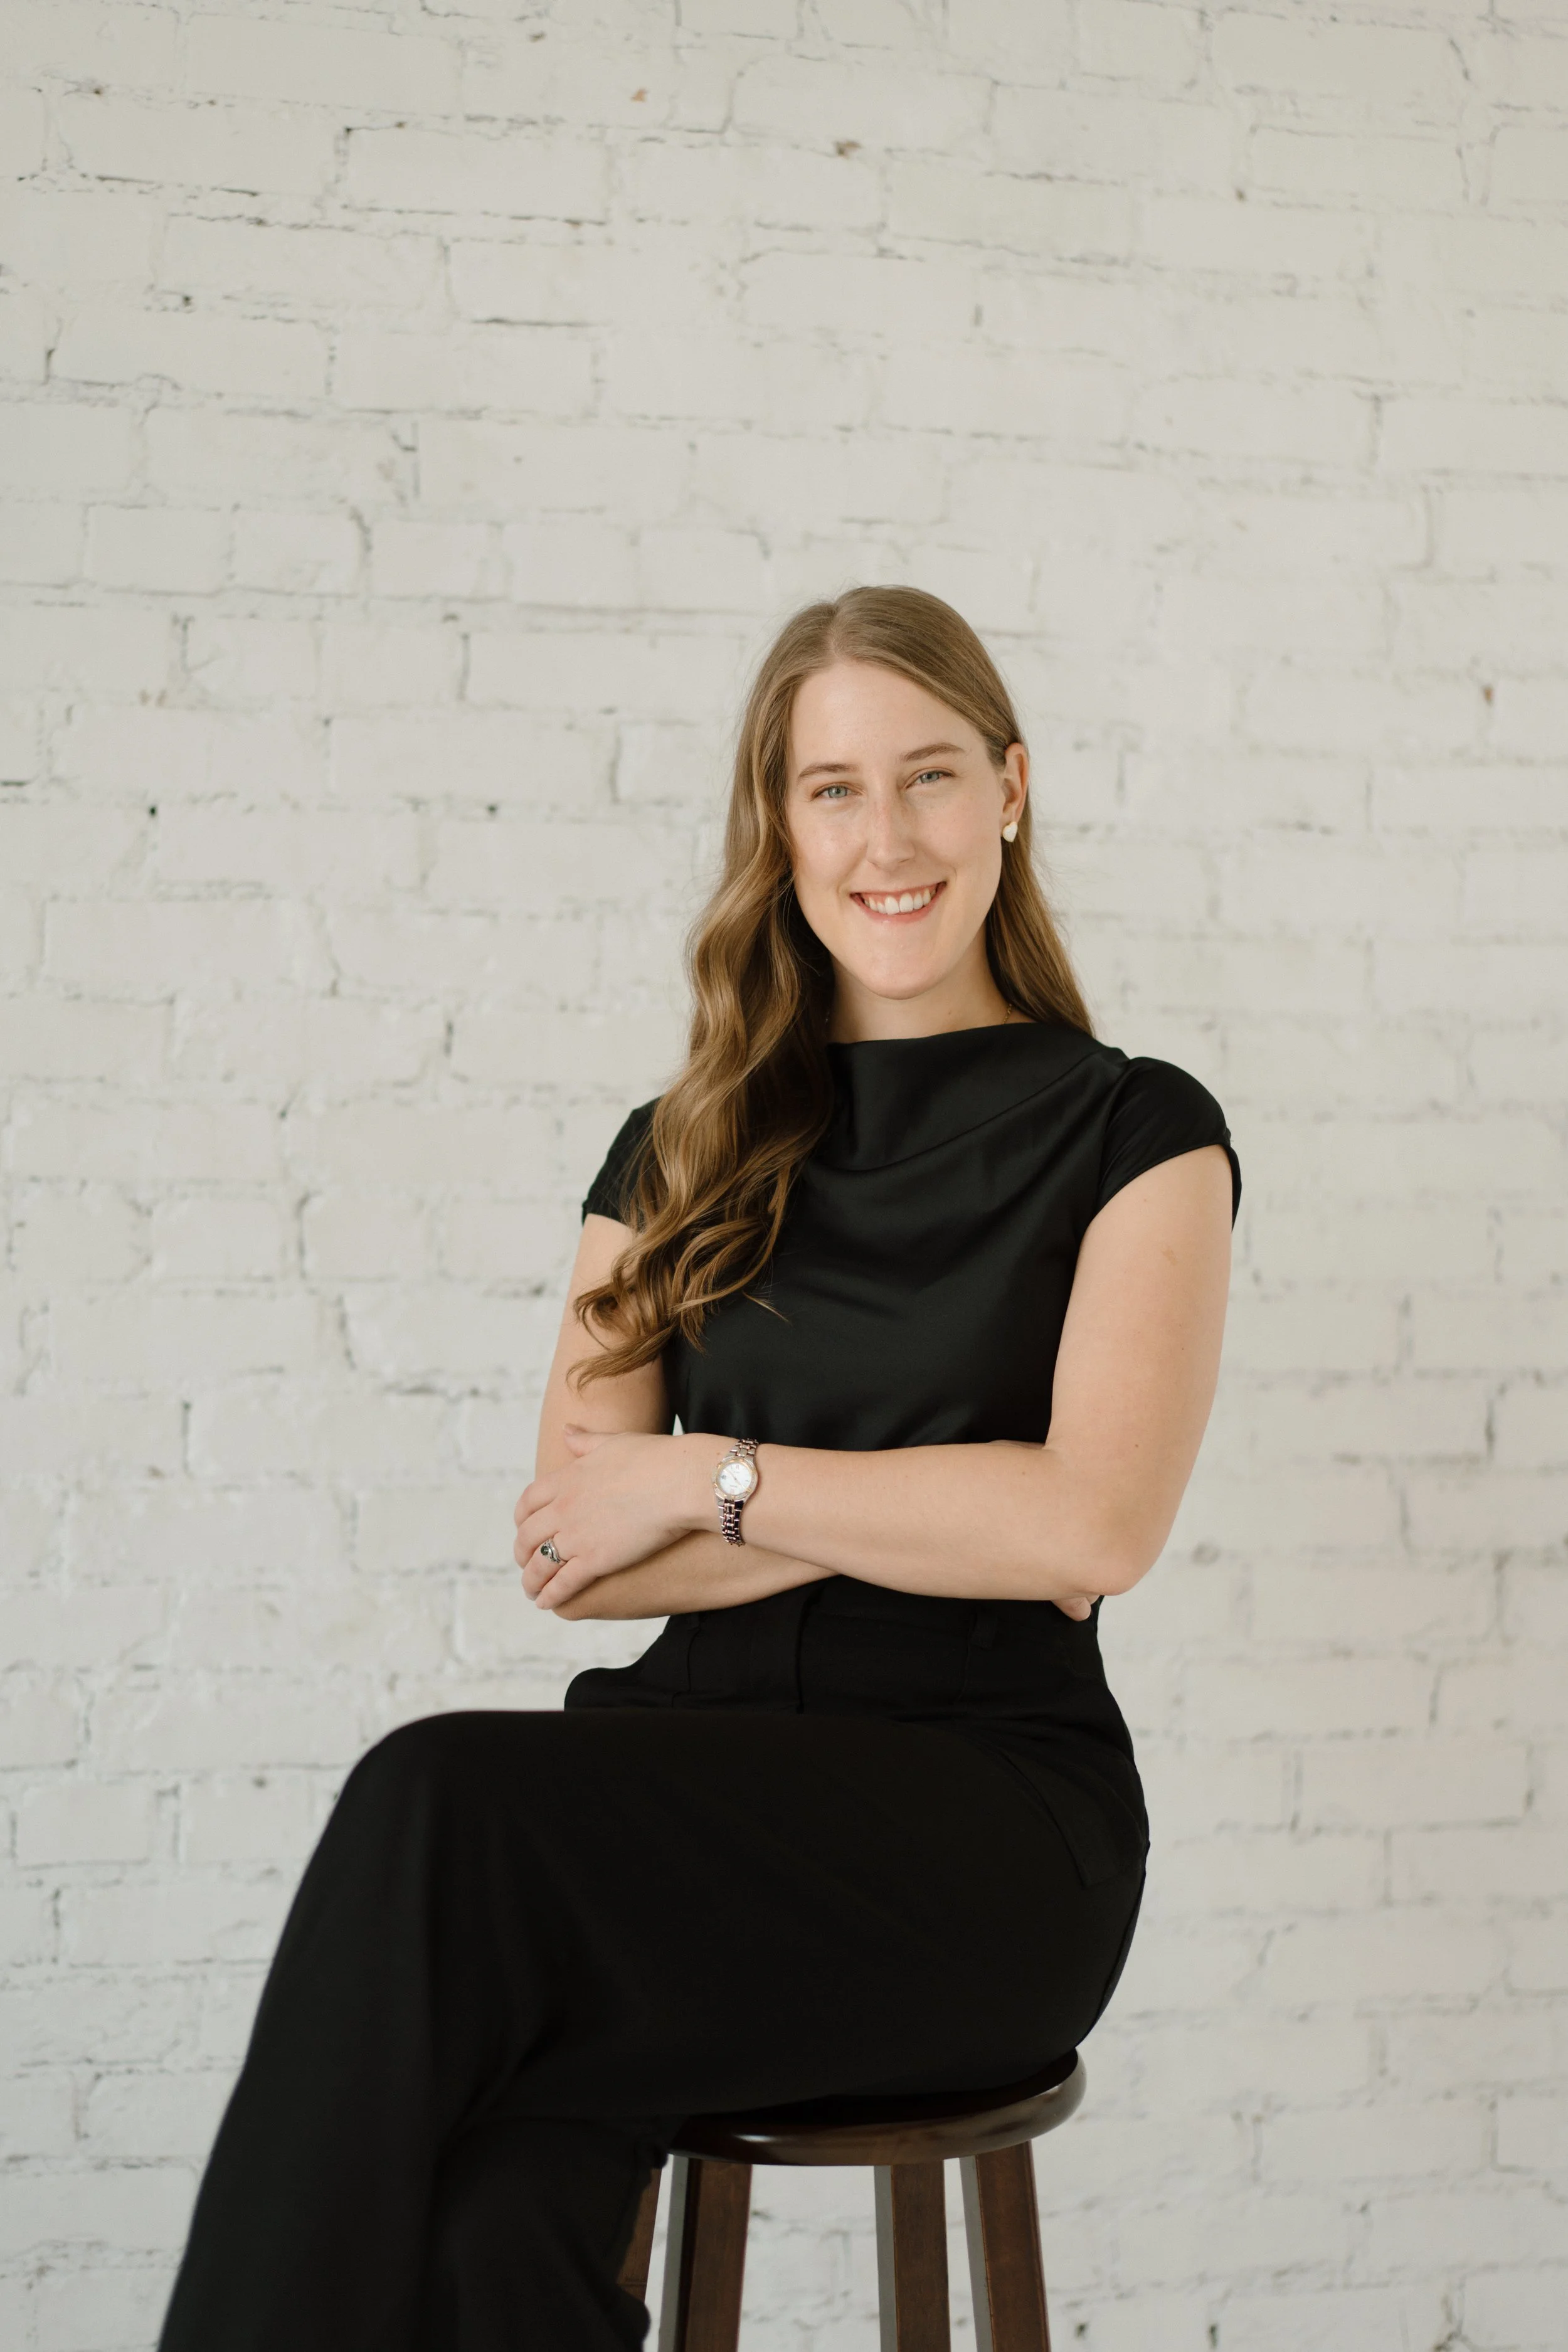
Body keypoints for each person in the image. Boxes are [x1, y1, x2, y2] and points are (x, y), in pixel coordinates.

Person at [157, 586, 1238, 2352]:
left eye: (929, 776)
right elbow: (581, 1544)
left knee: (434, 1803)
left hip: (979, 1832)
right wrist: (921, 1499)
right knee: (489, 2208)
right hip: (673, 1806)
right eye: (830, 789)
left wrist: (712, 1475)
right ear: (775, 822)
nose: (883, 838)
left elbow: (1086, 1524)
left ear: (1011, 791)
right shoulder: (675, 1149)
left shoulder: (1136, 1132)